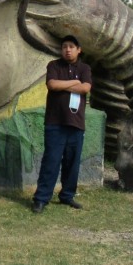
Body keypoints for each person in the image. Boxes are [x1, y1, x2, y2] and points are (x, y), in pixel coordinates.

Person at [32, 35, 92, 213]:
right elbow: (52, 85)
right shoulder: (54, 66)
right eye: (64, 46)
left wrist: (68, 85)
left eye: (71, 46)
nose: (67, 49)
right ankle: (41, 198)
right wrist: (74, 82)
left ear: (78, 49)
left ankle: (67, 196)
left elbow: (86, 88)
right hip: (55, 122)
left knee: (72, 162)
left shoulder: (85, 68)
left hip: (76, 123)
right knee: (51, 160)